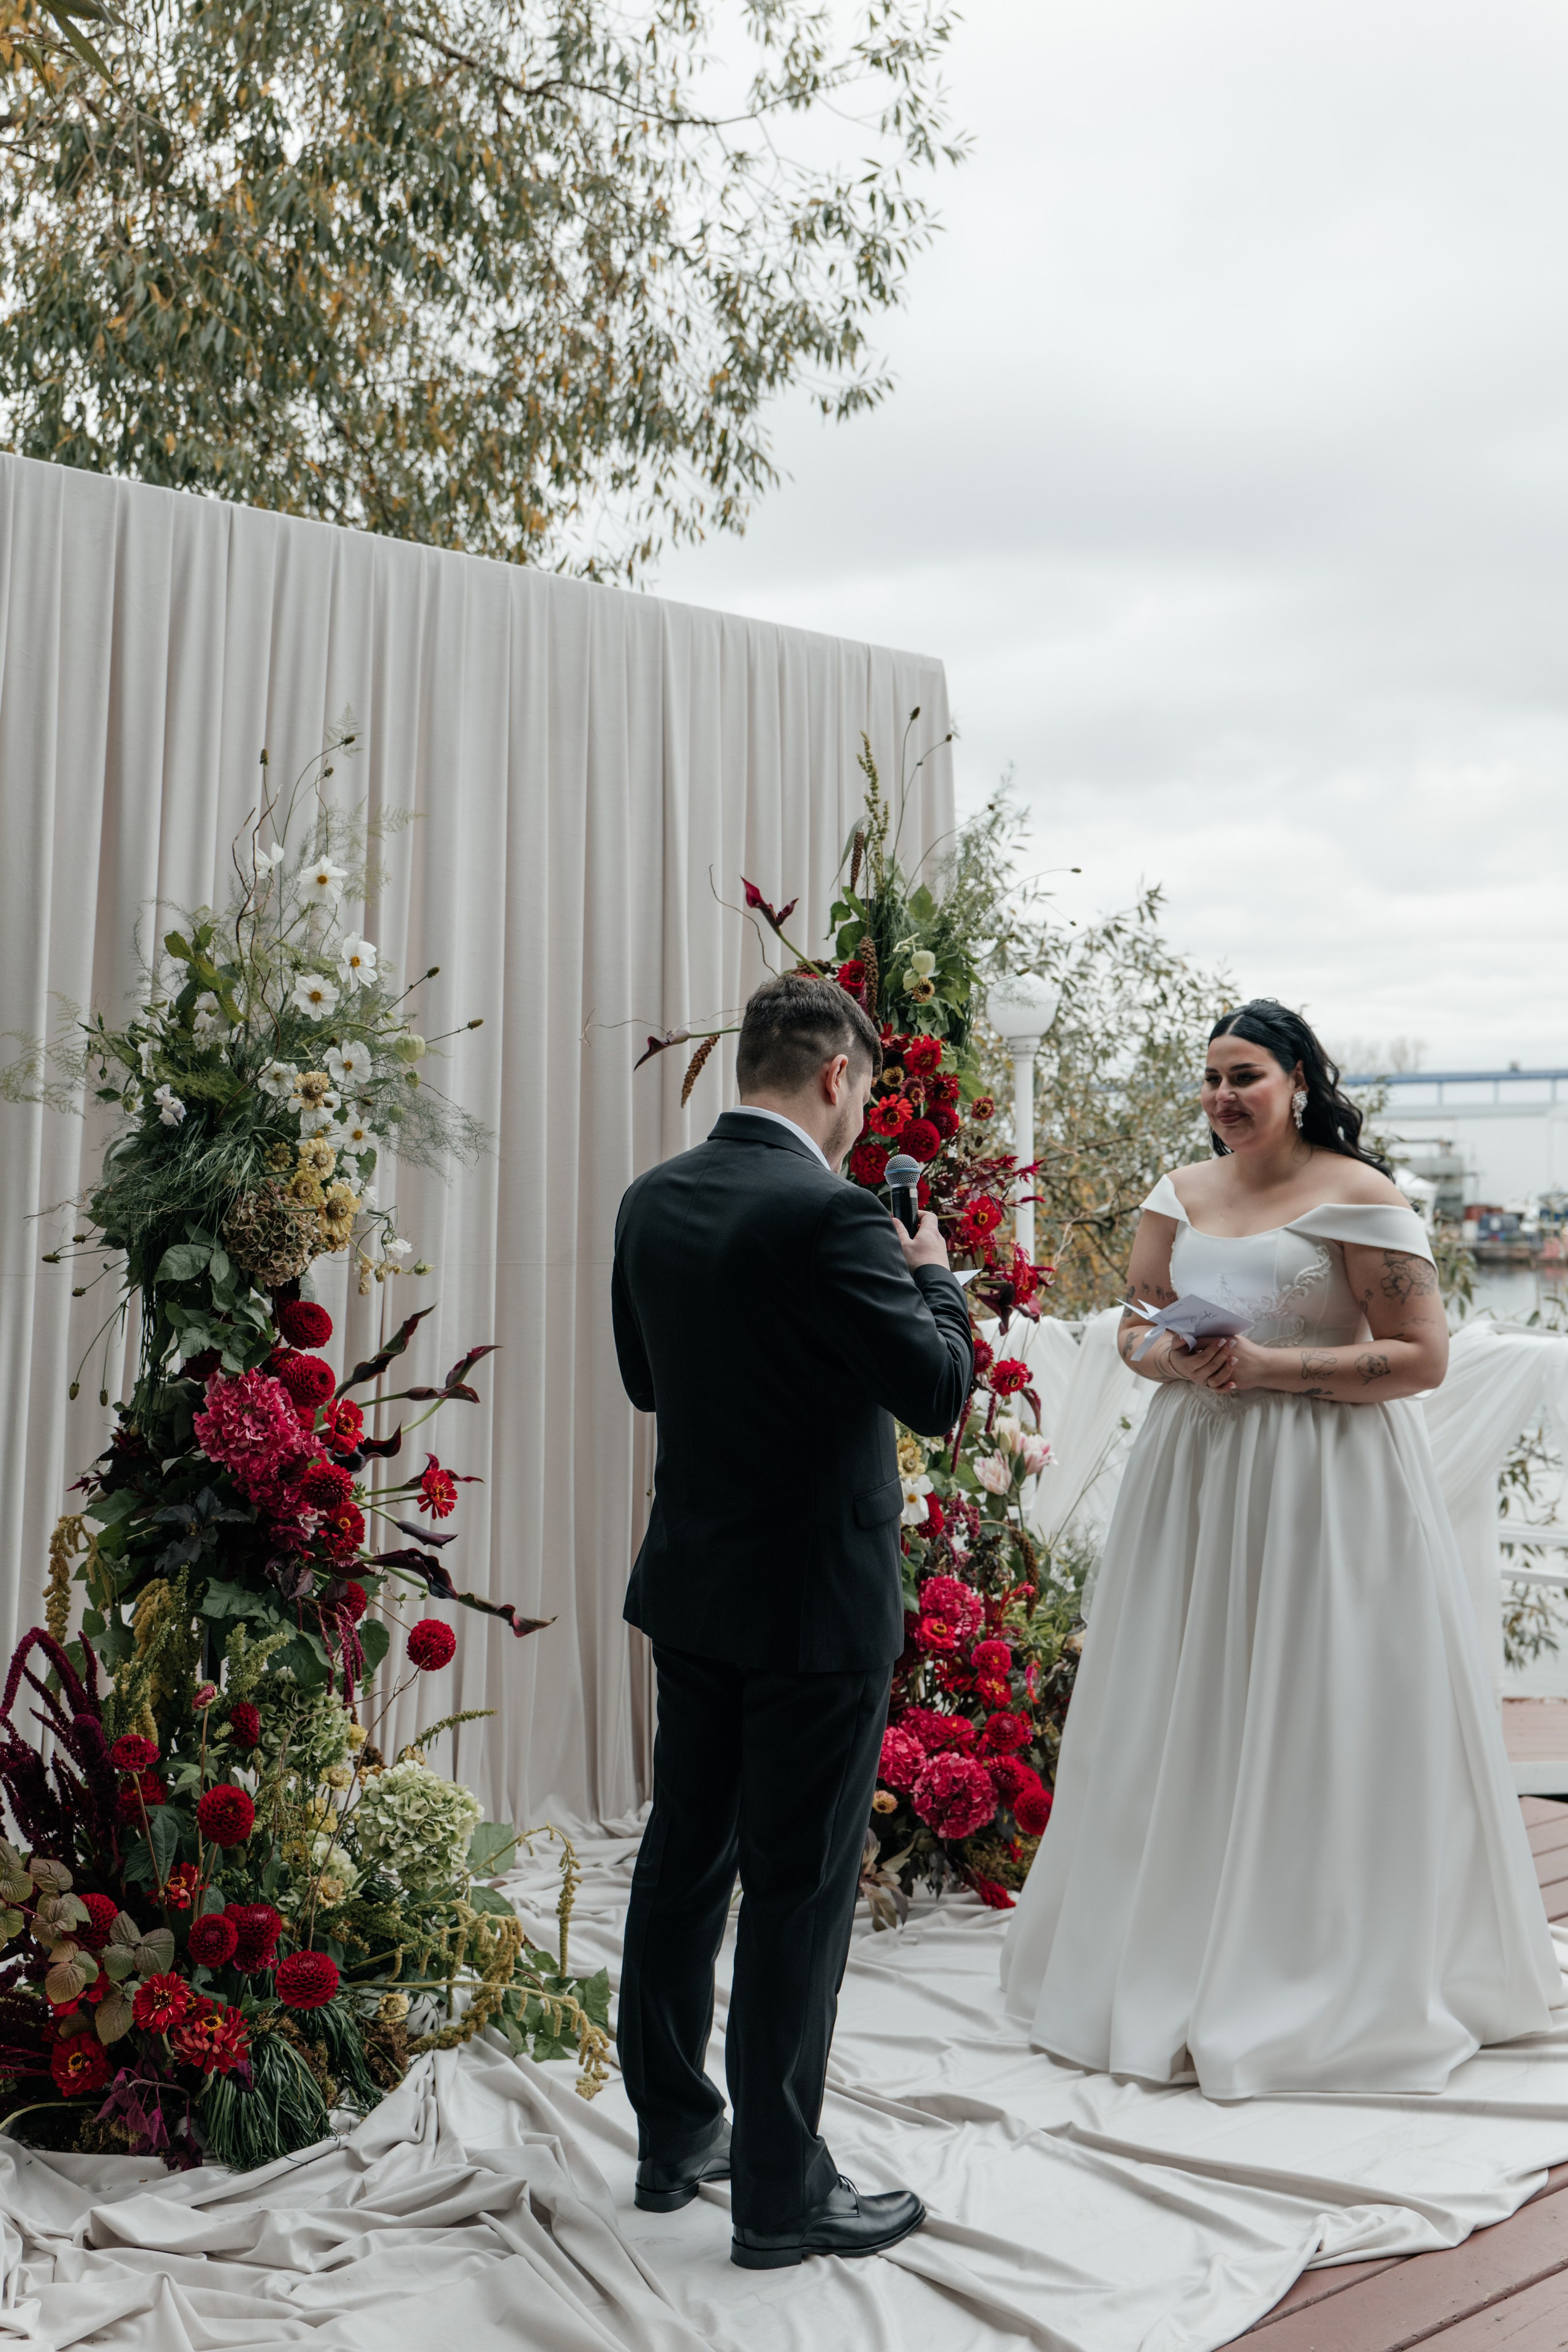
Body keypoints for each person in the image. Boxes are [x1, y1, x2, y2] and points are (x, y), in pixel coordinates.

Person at [1001, 998, 1561, 2094]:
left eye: (1244, 1075)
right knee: (1184, 1696)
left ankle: (1327, 1958)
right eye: (1210, 1079)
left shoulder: (1362, 1197)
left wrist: (1272, 1370)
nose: (1222, 1098)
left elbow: (1423, 1359)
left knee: (1324, 1698)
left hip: (1331, 1485)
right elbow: (1132, 1323)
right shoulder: (1180, 1194)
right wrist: (1176, 1361)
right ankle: (1168, 1944)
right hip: (1197, 1477)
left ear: (1299, 1078)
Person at [612, 971, 973, 2267]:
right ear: (835, 1077)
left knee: (683, 1856)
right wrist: (931, 1277)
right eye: (866, 1094)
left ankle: (673, 2137)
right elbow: (935, 1393)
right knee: (798, 1894)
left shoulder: (651, 1199)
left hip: (696, 1587)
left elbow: (649, 1381)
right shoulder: (835, 1219)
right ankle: (778, 2191)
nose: (862, 1116)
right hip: (815, 1605)